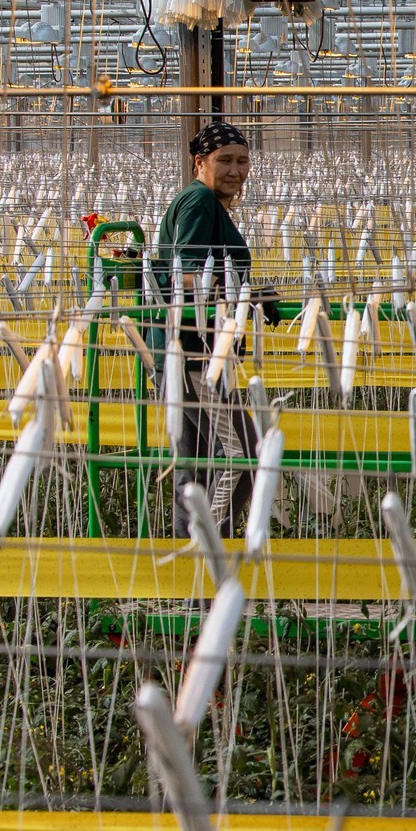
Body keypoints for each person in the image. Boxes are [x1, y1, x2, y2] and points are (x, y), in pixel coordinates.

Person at [152, 120, 271, 534]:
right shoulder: (199, 201)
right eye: (225, 161)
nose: (235, 171)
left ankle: (195, 583)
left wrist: (243, 294)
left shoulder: (203, 202)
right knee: (246, 454)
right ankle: (208, 548)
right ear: (199, 162)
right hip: (196, 356)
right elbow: (185, 277)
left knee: (197, 466)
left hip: (191, 351)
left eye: (242, 161)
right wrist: (246, 294)